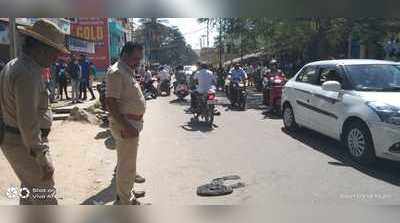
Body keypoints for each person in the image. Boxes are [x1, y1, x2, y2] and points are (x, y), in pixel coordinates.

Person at [0, 19, 69, 205]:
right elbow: (27, 121)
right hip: (26, 144)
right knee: (45, 196)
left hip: (21, 141)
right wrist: (41, 156)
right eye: (55, 52)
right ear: (41, 48)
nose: (56, 58)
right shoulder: (27, 73)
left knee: (30, 192)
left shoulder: (17, 65)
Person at [105, 42, 146, 205]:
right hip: (126, 125)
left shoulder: (127, 71)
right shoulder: (116, 72)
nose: (138, 62)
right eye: (136, 58)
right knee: (126, 165)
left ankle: (126, 193)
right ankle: (124, 201)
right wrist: (126, 126)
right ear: (124, 55)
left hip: (131, 124)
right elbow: (111, 102)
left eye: (140, 59)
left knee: (128, 162)